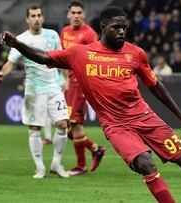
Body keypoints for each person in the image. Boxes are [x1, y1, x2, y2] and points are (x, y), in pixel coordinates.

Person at [0, 6, 181, 202]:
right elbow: (45, 57)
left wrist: (179, 114)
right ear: (103, 27)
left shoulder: (136, 54)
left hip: (144, 117)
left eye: (124, 28)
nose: (121, 32)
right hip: (116, 126)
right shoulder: (81, 53)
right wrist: (17, 44)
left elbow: (154, 85)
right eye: (116, 27)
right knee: (147, 164)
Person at [0, 6, 69, 179]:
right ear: (27, 20)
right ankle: (40, 167)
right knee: (35, 128)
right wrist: (2, 73)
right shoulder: (20, 40)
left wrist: (65, 79)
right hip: (34, 91)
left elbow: (61, 58)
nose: (36, 19)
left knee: (63, 125)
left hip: (53, 88)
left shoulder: (53, 35)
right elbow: (10, 63)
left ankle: (56, 163)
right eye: (33, 16)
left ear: (42, 18)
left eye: (39, 15)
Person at [61, 1, 106, 175]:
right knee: (66, 127)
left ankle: (81, 166)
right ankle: (96, 149)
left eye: (79, 12)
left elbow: (95, 60)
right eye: (73, 12)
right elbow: (63, 57)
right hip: (68, 83)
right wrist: (63, 79)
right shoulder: (64, 32)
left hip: (81, 84)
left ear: (84, 15)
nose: (76, 15)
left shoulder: (89, 34)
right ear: (68, 14)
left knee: (74, 124)